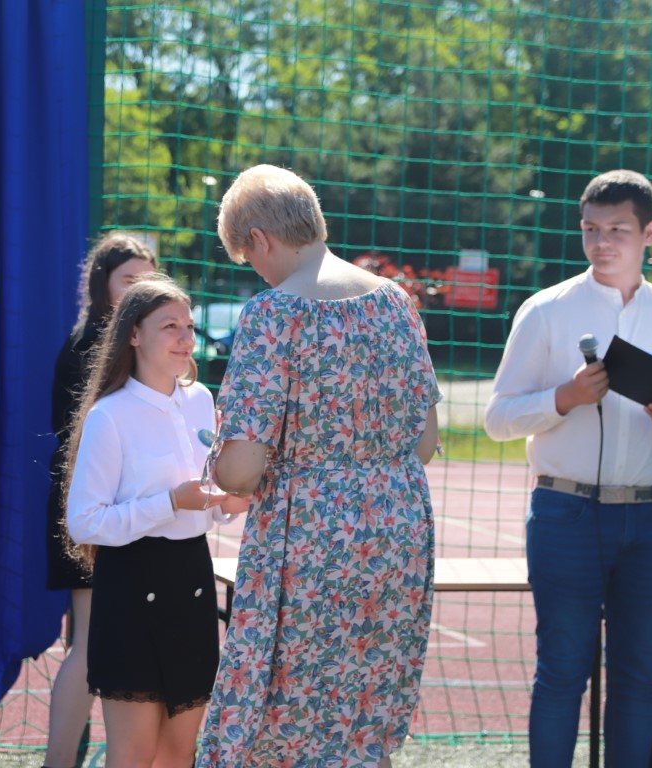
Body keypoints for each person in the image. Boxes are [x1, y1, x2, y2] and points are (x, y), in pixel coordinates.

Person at [195, 164, 440, 768]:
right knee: (364, 713)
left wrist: (220, 459)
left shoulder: (273, 314)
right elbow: (425, 441)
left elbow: (241, 471)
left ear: (259, 239)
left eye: (248, 258)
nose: (256, 272)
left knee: (287, 717)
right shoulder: (396, 302)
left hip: (311, 536)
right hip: (398, 526)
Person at [484, 169, 652, 767]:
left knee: (639, 676)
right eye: (590, 229)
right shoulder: (546, 310)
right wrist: (563, 398)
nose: (601, 242)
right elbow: (497, 418)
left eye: (617, 230)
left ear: (650, 234)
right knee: (561, 672)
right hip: (566, 512)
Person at [65, 275, 247, 768]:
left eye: (188, 326)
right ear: (133, 334)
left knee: (178, 753)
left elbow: (202, 500)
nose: (185, 338)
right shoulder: (110, 415)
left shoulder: (201, 399)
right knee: (133, 754)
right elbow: (84, 523)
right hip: (131, 585)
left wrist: (227, 503)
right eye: (170, 326)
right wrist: (170, 502)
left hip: (192, 581)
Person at [43, 232, 157, 768]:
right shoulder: (95, 346)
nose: (140, 290)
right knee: (90, 644)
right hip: (95, 511)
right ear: (101, 284)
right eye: (128, 280)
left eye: (148, 280)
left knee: (108, 644)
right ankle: (60, 760)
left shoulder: (130, 342)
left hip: (124, 512)